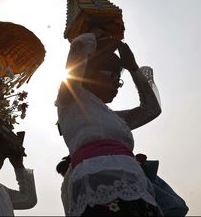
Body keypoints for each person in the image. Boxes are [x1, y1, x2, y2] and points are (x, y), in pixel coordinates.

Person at [56, 31, 161, 215]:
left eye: (118, 79)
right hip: (97, 183)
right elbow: (79, 46)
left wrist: (133, 69)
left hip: (135, 182)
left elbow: (151, 109)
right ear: (89, 73)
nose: (116, 85)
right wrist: (100, 36)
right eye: (111, 76)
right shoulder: (71, 100)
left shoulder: (115, 118)